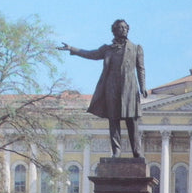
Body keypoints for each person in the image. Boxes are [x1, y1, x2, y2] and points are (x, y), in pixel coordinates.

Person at [58, 19, 148, 158]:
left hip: (129, 88)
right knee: (113, 120)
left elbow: (140, 68)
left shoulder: (136, 48)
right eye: (120, 27)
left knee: (132, 121)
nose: (123, 30)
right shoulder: (107, 49)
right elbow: (91, 54)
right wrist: (72, 49)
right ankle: (116, 151)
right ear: (114, 30)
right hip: (111, 87)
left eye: (125, 27)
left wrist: (143, 87)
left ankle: (136, 151)